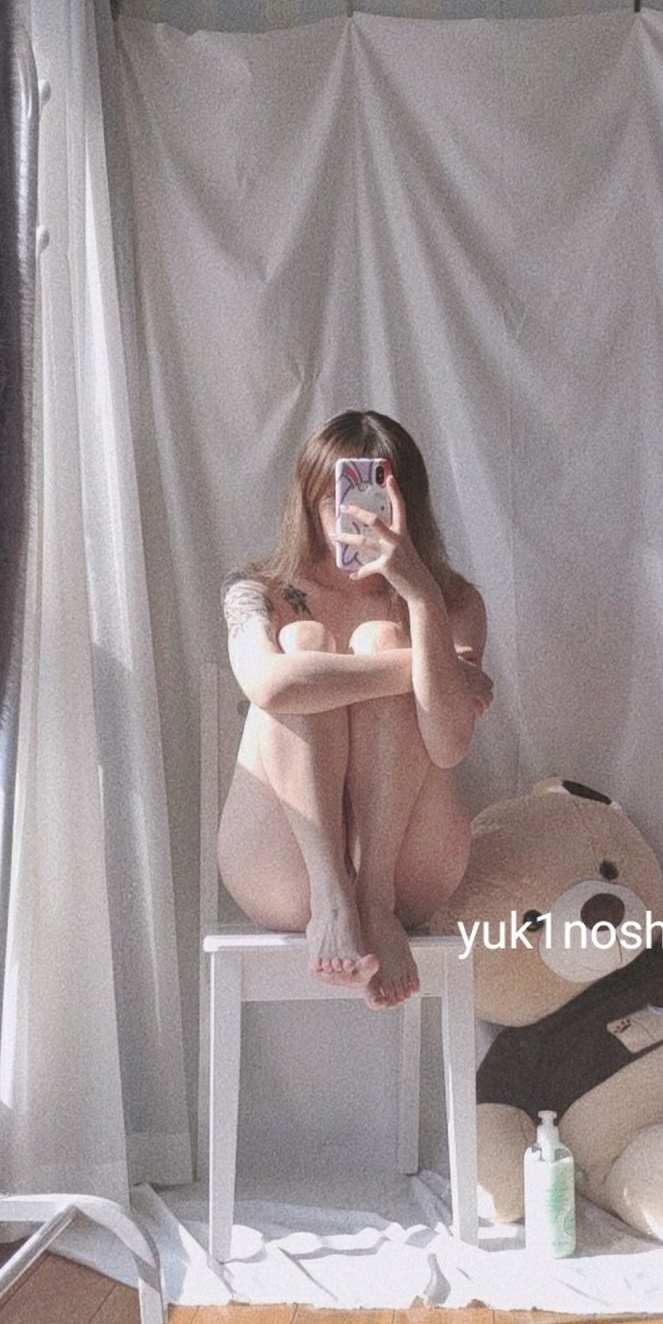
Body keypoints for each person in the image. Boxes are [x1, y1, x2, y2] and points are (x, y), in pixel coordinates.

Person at [217, 411, 492, 1007]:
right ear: (310, 500)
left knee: (379, 638)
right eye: (339, 499)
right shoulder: (258, 587)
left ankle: (372, 899)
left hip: (409, 870)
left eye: (378, 498)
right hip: (283, 867)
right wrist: (429, 665)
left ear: (408, 504)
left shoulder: (451, 600)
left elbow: (449, 745)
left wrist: (420, 596)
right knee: (303, 643)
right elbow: (269, 684)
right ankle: (333, 895)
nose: (358, 517)